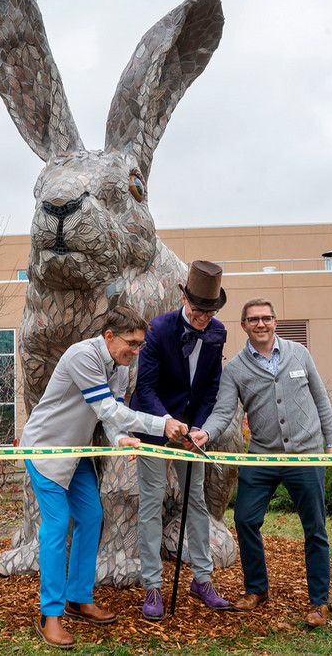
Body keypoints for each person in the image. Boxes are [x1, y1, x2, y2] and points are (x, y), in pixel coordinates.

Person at [20, 305, 189, 649]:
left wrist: (119, 438)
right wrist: (162, 423)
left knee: (92, 516)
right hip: (46, 450)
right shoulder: (82, 356)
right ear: (109, 337)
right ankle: (49, 616)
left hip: (78, 451)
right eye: (132, 342)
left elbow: (109, 419)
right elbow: (108, 409)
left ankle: (79, 599)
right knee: (56, 525)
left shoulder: (121, 366)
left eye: (141, 344)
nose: (136, 350)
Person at [196, 297, 332, 628]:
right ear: (244, 325)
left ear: (275, 322)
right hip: (262, 456)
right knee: (245, 519)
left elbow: (321, 399)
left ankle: (319, 602)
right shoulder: (234, 368)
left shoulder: (299, 354)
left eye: (266, 318)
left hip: (306, 456)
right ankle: (257, 589)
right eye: (253, 319)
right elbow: (223, 412)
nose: (260, 324)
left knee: (315, 528)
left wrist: (331, 444)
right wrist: (204, 434)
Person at [131, 260, 233, 619]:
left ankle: (202, 580)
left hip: (192, 434)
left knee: (198, 503)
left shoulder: (217, 333)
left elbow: (211, 389)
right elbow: (143, 388)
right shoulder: (158, 329)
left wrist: (199, 428)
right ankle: (153, 588)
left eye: (210, 312)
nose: (203, 318)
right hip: (154, 427)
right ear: (185, 299)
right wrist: (167, 423)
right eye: (198, 310)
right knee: (151, 504)